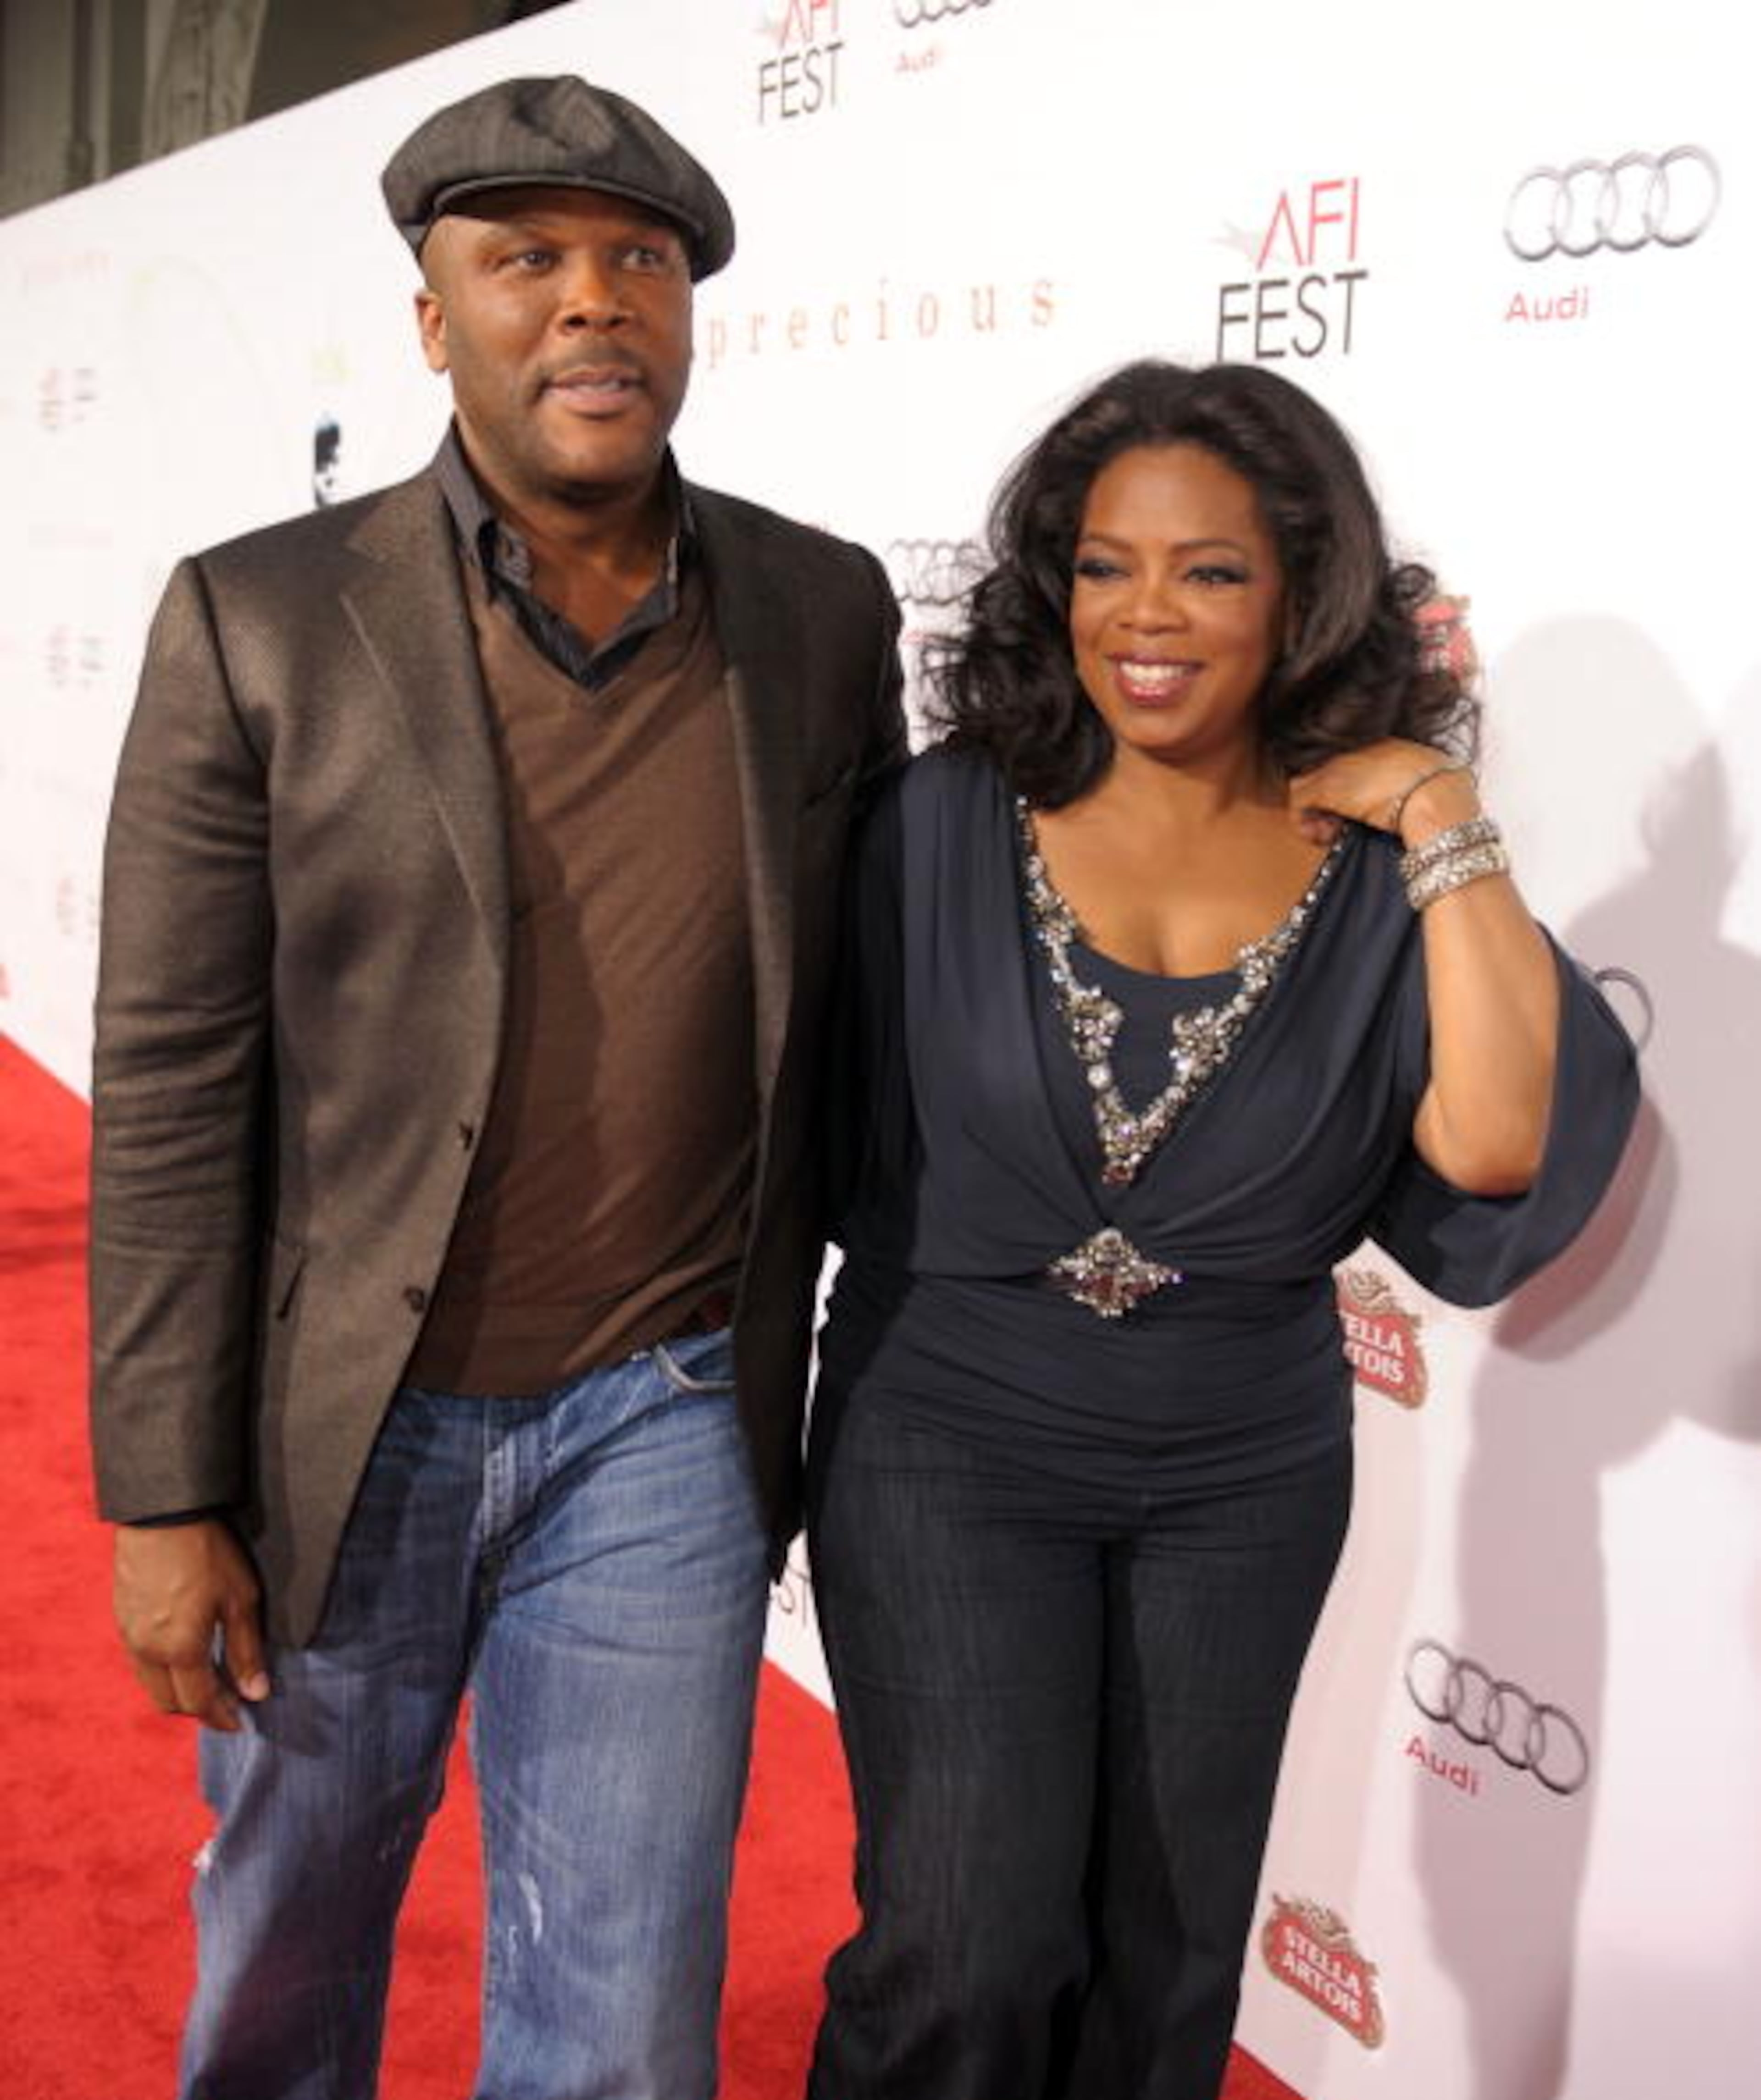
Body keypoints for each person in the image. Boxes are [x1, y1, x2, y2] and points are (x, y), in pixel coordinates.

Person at [89, 73, 903, 2099]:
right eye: (523, 258)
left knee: (622, 2016)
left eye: (638, 261)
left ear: (693, 312)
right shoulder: (260, 616)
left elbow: (891, 979)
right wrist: (167, 1486)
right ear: (433, 317)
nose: (592, 303)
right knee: (284, 1953)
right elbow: (178, 1080)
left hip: (665, 1418)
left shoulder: (819, 610)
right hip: (343, 1428)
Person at [804, 359, 1637, 2100]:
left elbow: (1492, 1145)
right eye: (1105, 566)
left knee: (1171, 1961)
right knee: (966, 1941)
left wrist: (1439, 815)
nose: (1147, 616)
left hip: (1245, 1463)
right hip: (950, 1431)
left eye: (1211, 570)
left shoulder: (1380, 871)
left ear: (1303, 592)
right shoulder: (940, 821)